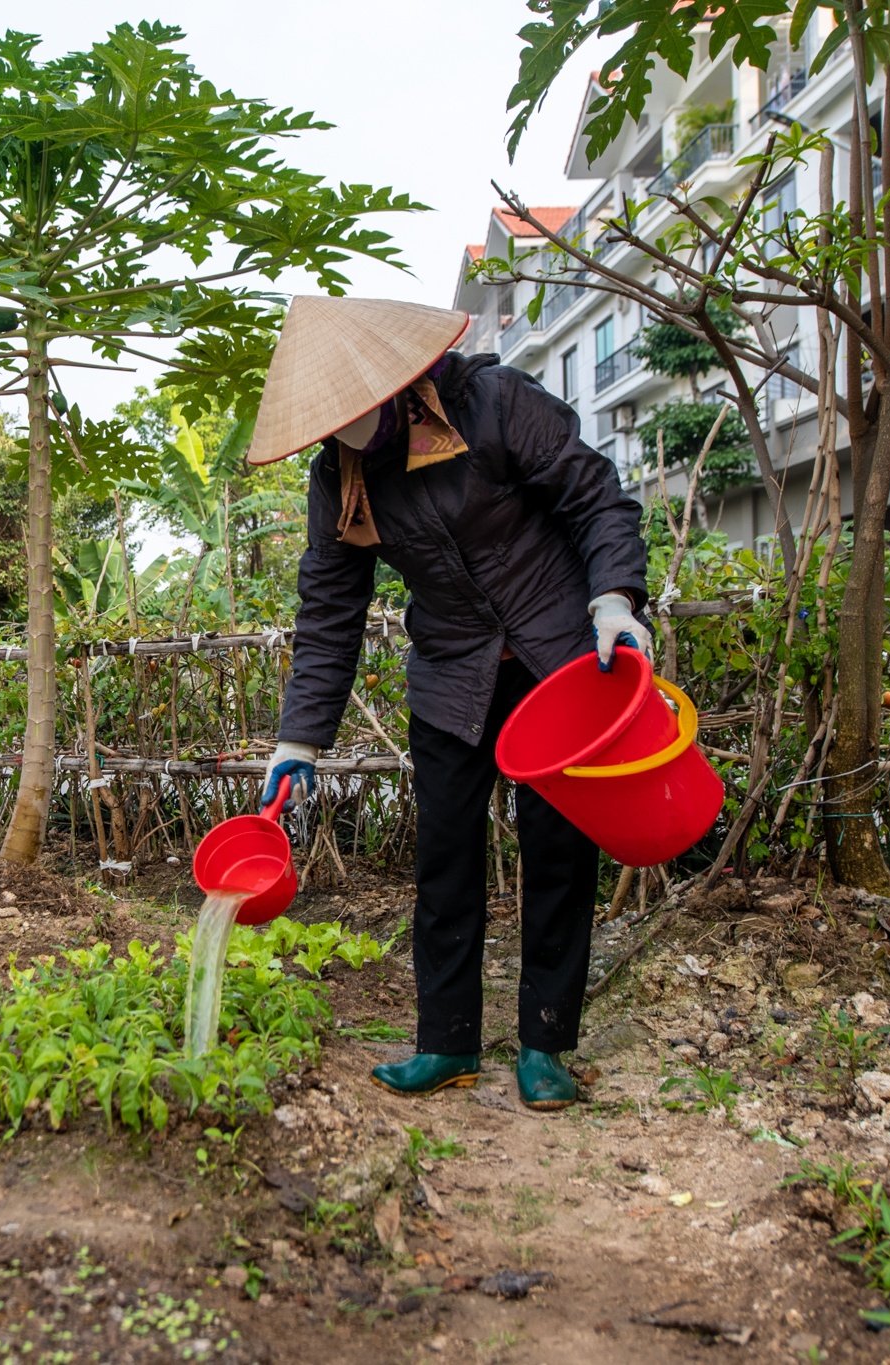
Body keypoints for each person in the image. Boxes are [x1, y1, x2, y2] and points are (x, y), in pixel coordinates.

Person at [248, 296, 651, 1112]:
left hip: (553, 657)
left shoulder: (494, 404)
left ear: (395, 381)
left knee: (557, 846)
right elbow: (330, 610)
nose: (346, 429)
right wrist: (300, 741)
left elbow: (595, 496)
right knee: (446, 857)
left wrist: (613, 598)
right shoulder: (341, 476)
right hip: (451, 676)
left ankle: (544, 1041)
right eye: (331, 422)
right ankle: (446, 1043)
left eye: (356, 410)